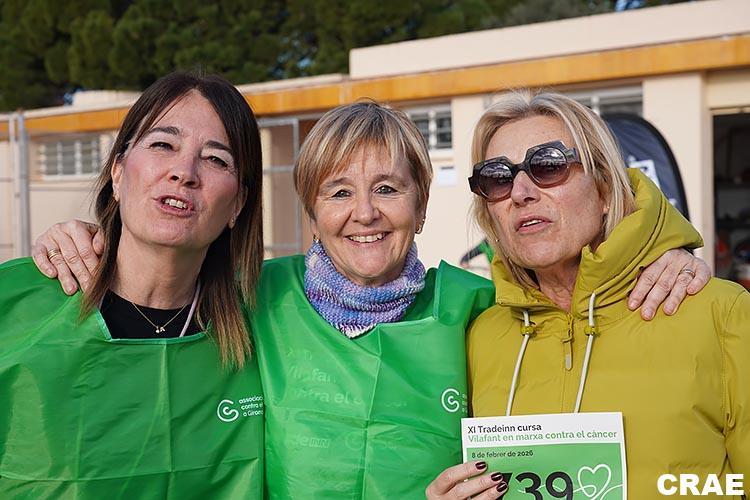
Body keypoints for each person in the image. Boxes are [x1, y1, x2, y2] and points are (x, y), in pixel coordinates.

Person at [32, 101, 711, 499]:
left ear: (421, 205)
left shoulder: (477, 306)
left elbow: (577, 302)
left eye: (387, 188)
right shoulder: (254, 296)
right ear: (312, 212)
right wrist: (83, 238)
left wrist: (667, 254)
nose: (365, 213)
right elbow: (157, 276)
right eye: (339, 192)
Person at [427, 90, 749, 499]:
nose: (521, 192)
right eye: (498, 177)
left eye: (548, 165)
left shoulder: (720, 314)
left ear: (605, 189)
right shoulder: (478, 337)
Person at [0, 72, 265, 498]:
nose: (184, 172)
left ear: (237, 204)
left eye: (216, 159)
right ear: (118, 172)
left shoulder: (269, 320)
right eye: (163, 145)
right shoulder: (16, 305)